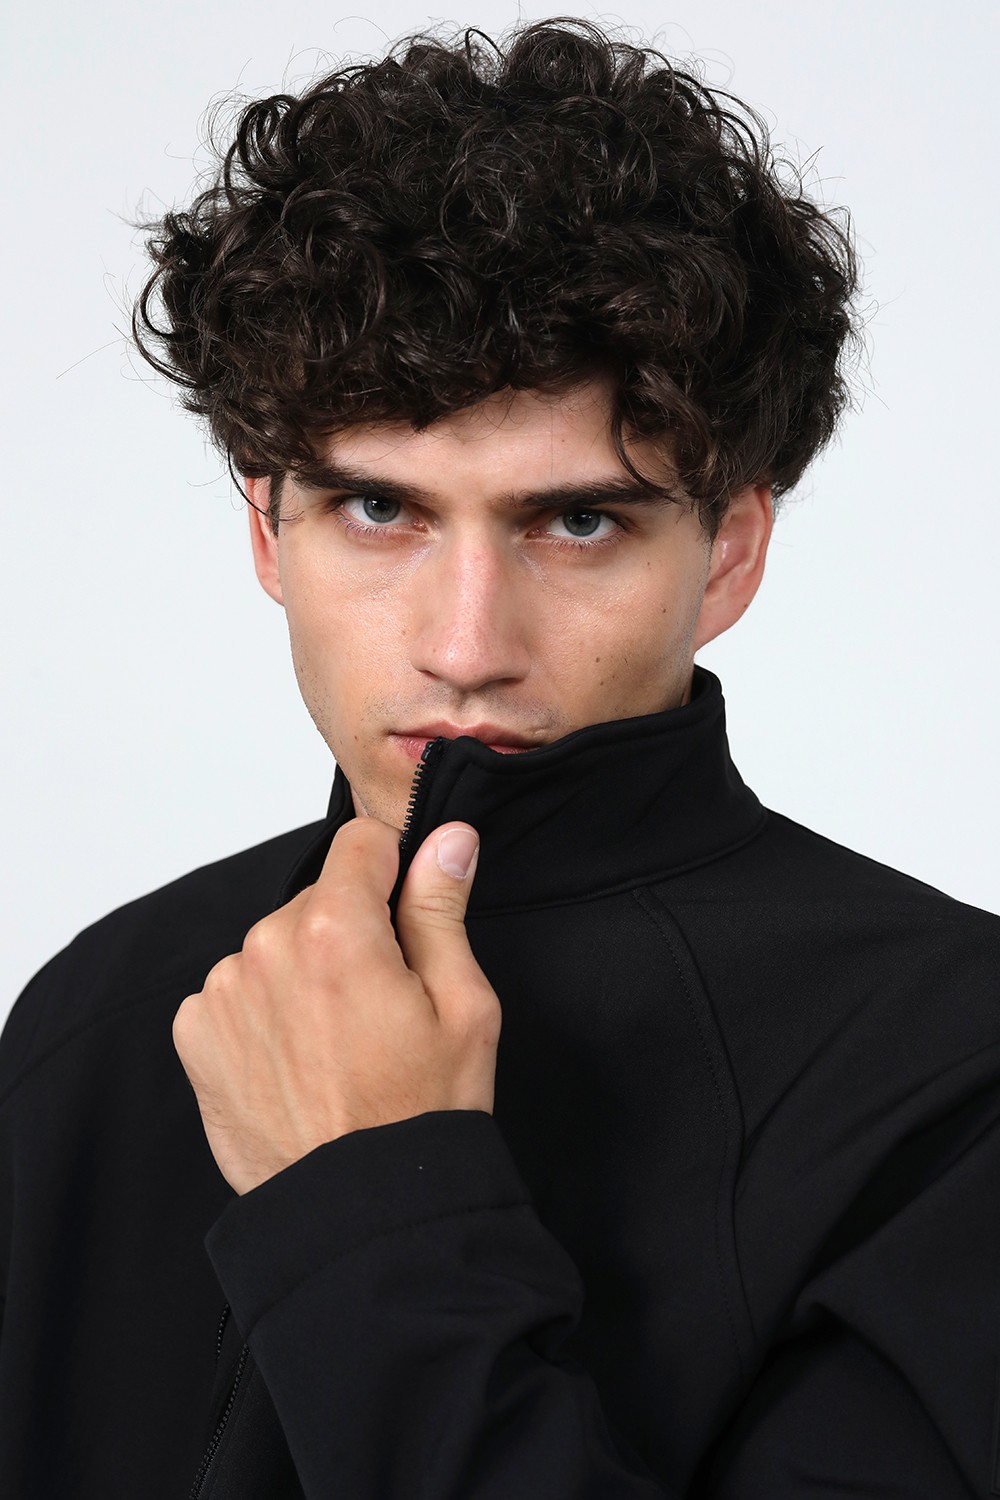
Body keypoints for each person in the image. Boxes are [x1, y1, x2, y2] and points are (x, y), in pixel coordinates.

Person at [1, 17, 997, 1499]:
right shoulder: (102, 1011)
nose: (466, 644)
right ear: (267, 528)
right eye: (380, 512)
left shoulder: (955, 1076)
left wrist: (364, 1203)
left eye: (577, 522)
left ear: (730, 550)